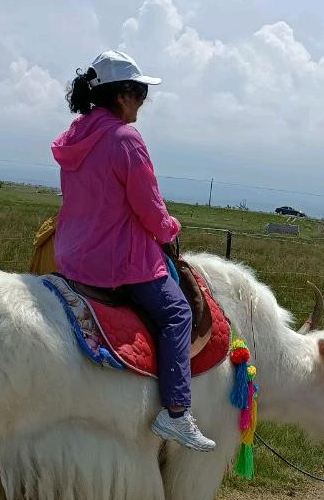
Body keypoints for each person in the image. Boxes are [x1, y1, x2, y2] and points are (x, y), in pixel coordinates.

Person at [52, 50, 216, 452]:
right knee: (177, 314)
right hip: (119, 261)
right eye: (141, 93)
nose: (143, 102)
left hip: (73, 255)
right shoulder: (125, 139)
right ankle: (176, 412)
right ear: (122, 95)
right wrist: (170, 230)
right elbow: (148, 205)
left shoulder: (76, 136)